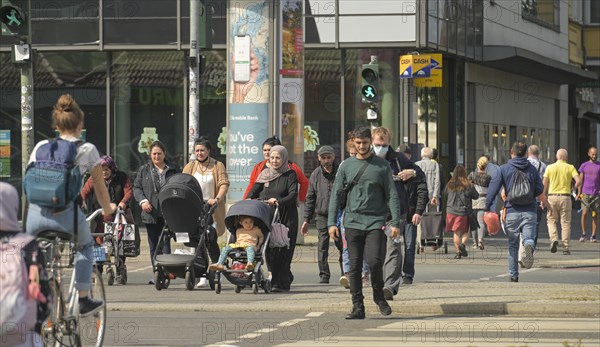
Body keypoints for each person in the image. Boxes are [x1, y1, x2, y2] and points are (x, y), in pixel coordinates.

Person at [26, 94, 116, 316]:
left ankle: (36, 294)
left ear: (56, 125)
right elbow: (100, 187)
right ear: (80, 124)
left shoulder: (40, 146)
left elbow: (29, 182)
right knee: (86, 246)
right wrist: (107, 210)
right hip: (65, 215)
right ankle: (84, 300)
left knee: (36, 252)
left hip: (35, 216)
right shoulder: (86, 149)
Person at [328, 126, 402, 319]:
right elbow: (335, 195)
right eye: (358, 143)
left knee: (375, 261)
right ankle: (357, 306)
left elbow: (392, 195)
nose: (361, 146)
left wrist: (395, 222)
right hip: (351, 221)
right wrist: (331, 223)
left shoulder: (382, 166)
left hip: (376, 222)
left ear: (370, 141)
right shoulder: (346, 166)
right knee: (353, 266)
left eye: (365, 142)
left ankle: (379, 296)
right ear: (354, 143)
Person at [370, 127, 427, 303]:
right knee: (375, 252)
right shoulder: (365, 158)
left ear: (389, 143)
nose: (381, 148)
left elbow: (420, 176)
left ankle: (390, 286)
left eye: (384, 145)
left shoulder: (398, 159)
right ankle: (376, 283)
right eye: (377, 144)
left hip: (395, 213)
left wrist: (413, 172)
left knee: (393, 249)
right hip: (371, 212)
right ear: (372, 142)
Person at [486, 141, 546, 282]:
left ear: (511, 152)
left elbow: (493, 190)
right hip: (530, 211)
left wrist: (488, 207)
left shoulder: (504, 169)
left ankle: (514, 275)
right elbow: (539, 190)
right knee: (528, 238)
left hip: (511, 211)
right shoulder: (532, 169)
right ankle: (529, 245)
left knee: (513, 245)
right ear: (525, 153)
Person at [247, 145, 298, 292]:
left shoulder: (290, 174)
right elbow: (254, 190)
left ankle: (283, 281)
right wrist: (248, 200)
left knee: (284, 249)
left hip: (286, 217)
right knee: (269, 249)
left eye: (278, 158)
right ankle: (275, 278)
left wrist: (278, 201)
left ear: (284, 159)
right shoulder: (264, 173)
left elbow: (293, 194)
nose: (274, 161)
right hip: (268, 215)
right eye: (272, 158)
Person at [182, 136, 229, 286]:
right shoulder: (190, 166)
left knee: (210, 238)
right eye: (197, 150)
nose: (200, 153)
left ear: (208, 150)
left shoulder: (217, 165)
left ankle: (216, 267)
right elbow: (183, 183)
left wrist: (217, 198)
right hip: (194, 208)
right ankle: (201, 271)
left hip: (211, 208)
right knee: (198, 238)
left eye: (202, 150)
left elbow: (223, 183)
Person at [80, 155, 134, 274]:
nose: (104, 172)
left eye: (106, 170)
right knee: (99, 240)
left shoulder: (122, 177)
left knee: (119, 241)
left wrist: (122, 204)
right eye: (101, 170)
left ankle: (120, 265)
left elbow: (128, 191)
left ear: (112, 169)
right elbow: (84, 192)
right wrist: (81, 201)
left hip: (117, 215)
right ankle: (99, 267)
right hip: (100, 216)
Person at [133, 140, 179, 278]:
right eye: (154, 154)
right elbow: (137, 187)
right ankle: (157, 272)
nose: (156, 157)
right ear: (150, 155)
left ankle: (166, 270)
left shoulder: (173, 169)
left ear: (164, 154)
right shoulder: (144, 170)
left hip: (167, 213)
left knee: (165, 242)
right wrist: (143, 201)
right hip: (150, 213)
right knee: (153, 244)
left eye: (159, 154)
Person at [301, 145, 343, 284]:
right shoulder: (315, 174)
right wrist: (306, 219)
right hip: (322, 215)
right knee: (322, 246)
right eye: (323, 158)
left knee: (342, 245)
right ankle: (324, 275)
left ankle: (346, 272)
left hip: (338, 215)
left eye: (329, 157)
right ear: (319, 158)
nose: (326, 160)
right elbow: (310, 198)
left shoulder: (341, 172)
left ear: (333, 157)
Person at [243, 136, 308, 202]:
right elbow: (252, 186)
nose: (267, 153)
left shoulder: (291, 168)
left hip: (283, 206)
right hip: (263, 206)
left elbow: (304, 182)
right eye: (265, 150)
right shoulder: (259, 167)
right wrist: (245, 202)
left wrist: (300, 199)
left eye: (269, 150)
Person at [543, 148, 582, 255]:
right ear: (566, 157)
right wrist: (573, 189)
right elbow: (578, 180)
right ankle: (565, 247)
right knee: (565, 223)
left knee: (551, 220)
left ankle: (554, 239)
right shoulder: (570, 167)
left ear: (557, 157)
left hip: (552, 197)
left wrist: (543, 198)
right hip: (565, 197)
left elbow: (545, 184)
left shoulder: (550, 167)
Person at [517, 144, 547, 266]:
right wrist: (543, 200)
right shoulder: (543, 166)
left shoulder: (523, 164)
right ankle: (530, 250)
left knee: (520, 228)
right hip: (535, 200)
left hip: (520, 198)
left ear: (528, 153)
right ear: (538, 153)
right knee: (534, 227)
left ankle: (521, 254)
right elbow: (543, 185)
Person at [444, 165, 478, 259]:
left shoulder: (449, 184)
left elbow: (445, 195)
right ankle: (462, 244)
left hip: (451, 211)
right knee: (465, 231)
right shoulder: (468, 184)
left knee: (456, 232)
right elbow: (476, 196)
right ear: (464, 173)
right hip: (463, 211)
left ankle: (458, 253)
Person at [468, 156, 492, 250]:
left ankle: (474, 242)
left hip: (473, 200)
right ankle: (481, 240)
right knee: (481, 222)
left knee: (473, 223)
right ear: (486, 166)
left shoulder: (472, 175)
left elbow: (467, 186)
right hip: (483, 200)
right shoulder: (488, 177)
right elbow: (491, 190)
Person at [577, 146, 599, 243]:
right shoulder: (584, 165)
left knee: (595, 215)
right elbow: (580, 180)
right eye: (593, 154)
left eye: (596, 154)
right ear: (589, 154)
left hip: (596, 194)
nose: (594, 156)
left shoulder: (599, 165)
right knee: (584, 213)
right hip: (585, 193)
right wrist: (579, 193)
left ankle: (593, 235)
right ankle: (584, 233)